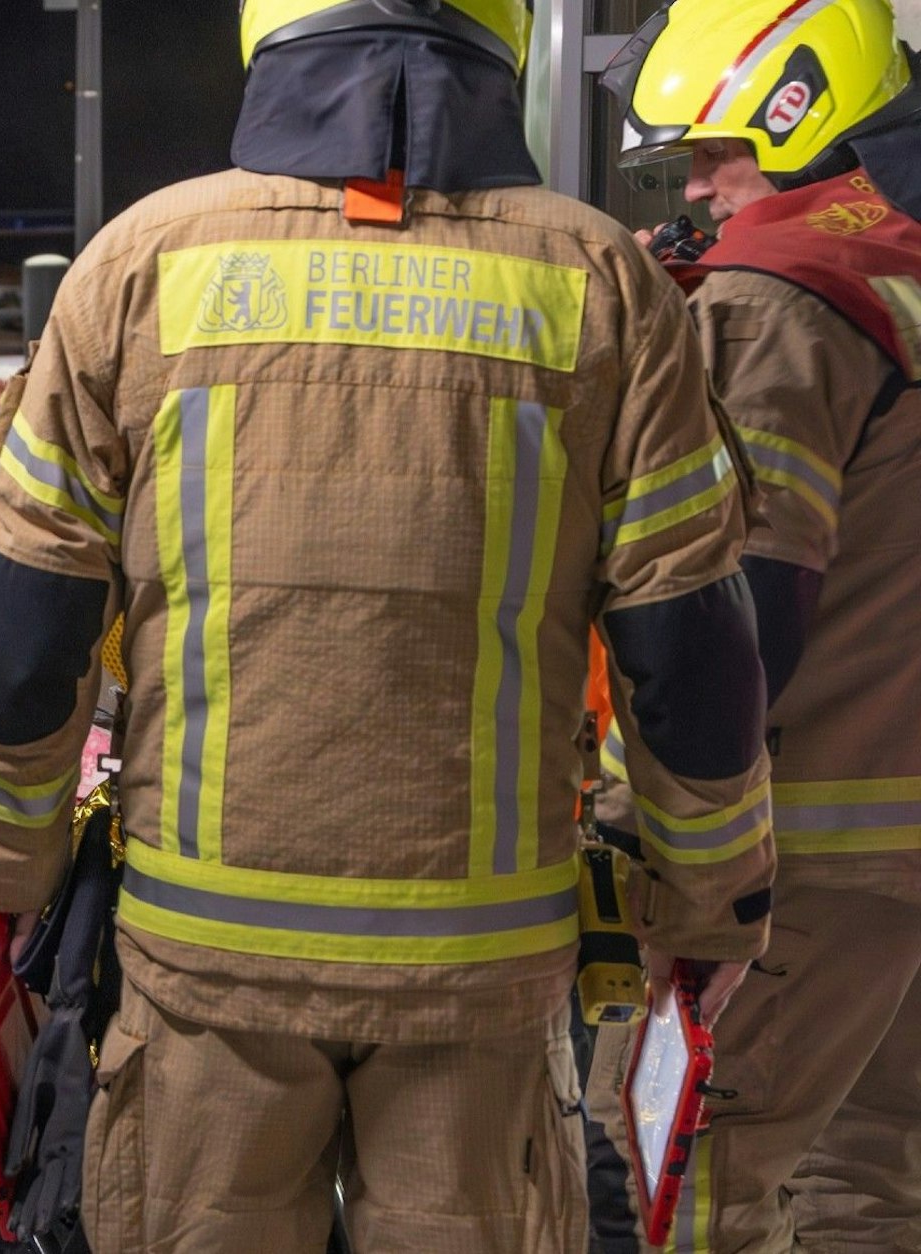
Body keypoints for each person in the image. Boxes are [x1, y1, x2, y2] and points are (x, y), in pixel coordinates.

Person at [0, 2, 777, 1250]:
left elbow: (27, 634)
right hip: (479, 966)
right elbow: (689, 658)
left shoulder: (138, 264)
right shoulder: (601, 278)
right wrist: (708, 913)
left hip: (203, 960)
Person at [586, 3, 921, 1249]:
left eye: (712, 158)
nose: (696, 190)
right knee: (868, 1187)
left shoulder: (770, 301)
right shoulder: (889, 260)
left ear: (794, 127)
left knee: (690, 1182)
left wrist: (648, 835)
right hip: (895, 850)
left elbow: (735, 612)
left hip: (802, 865)